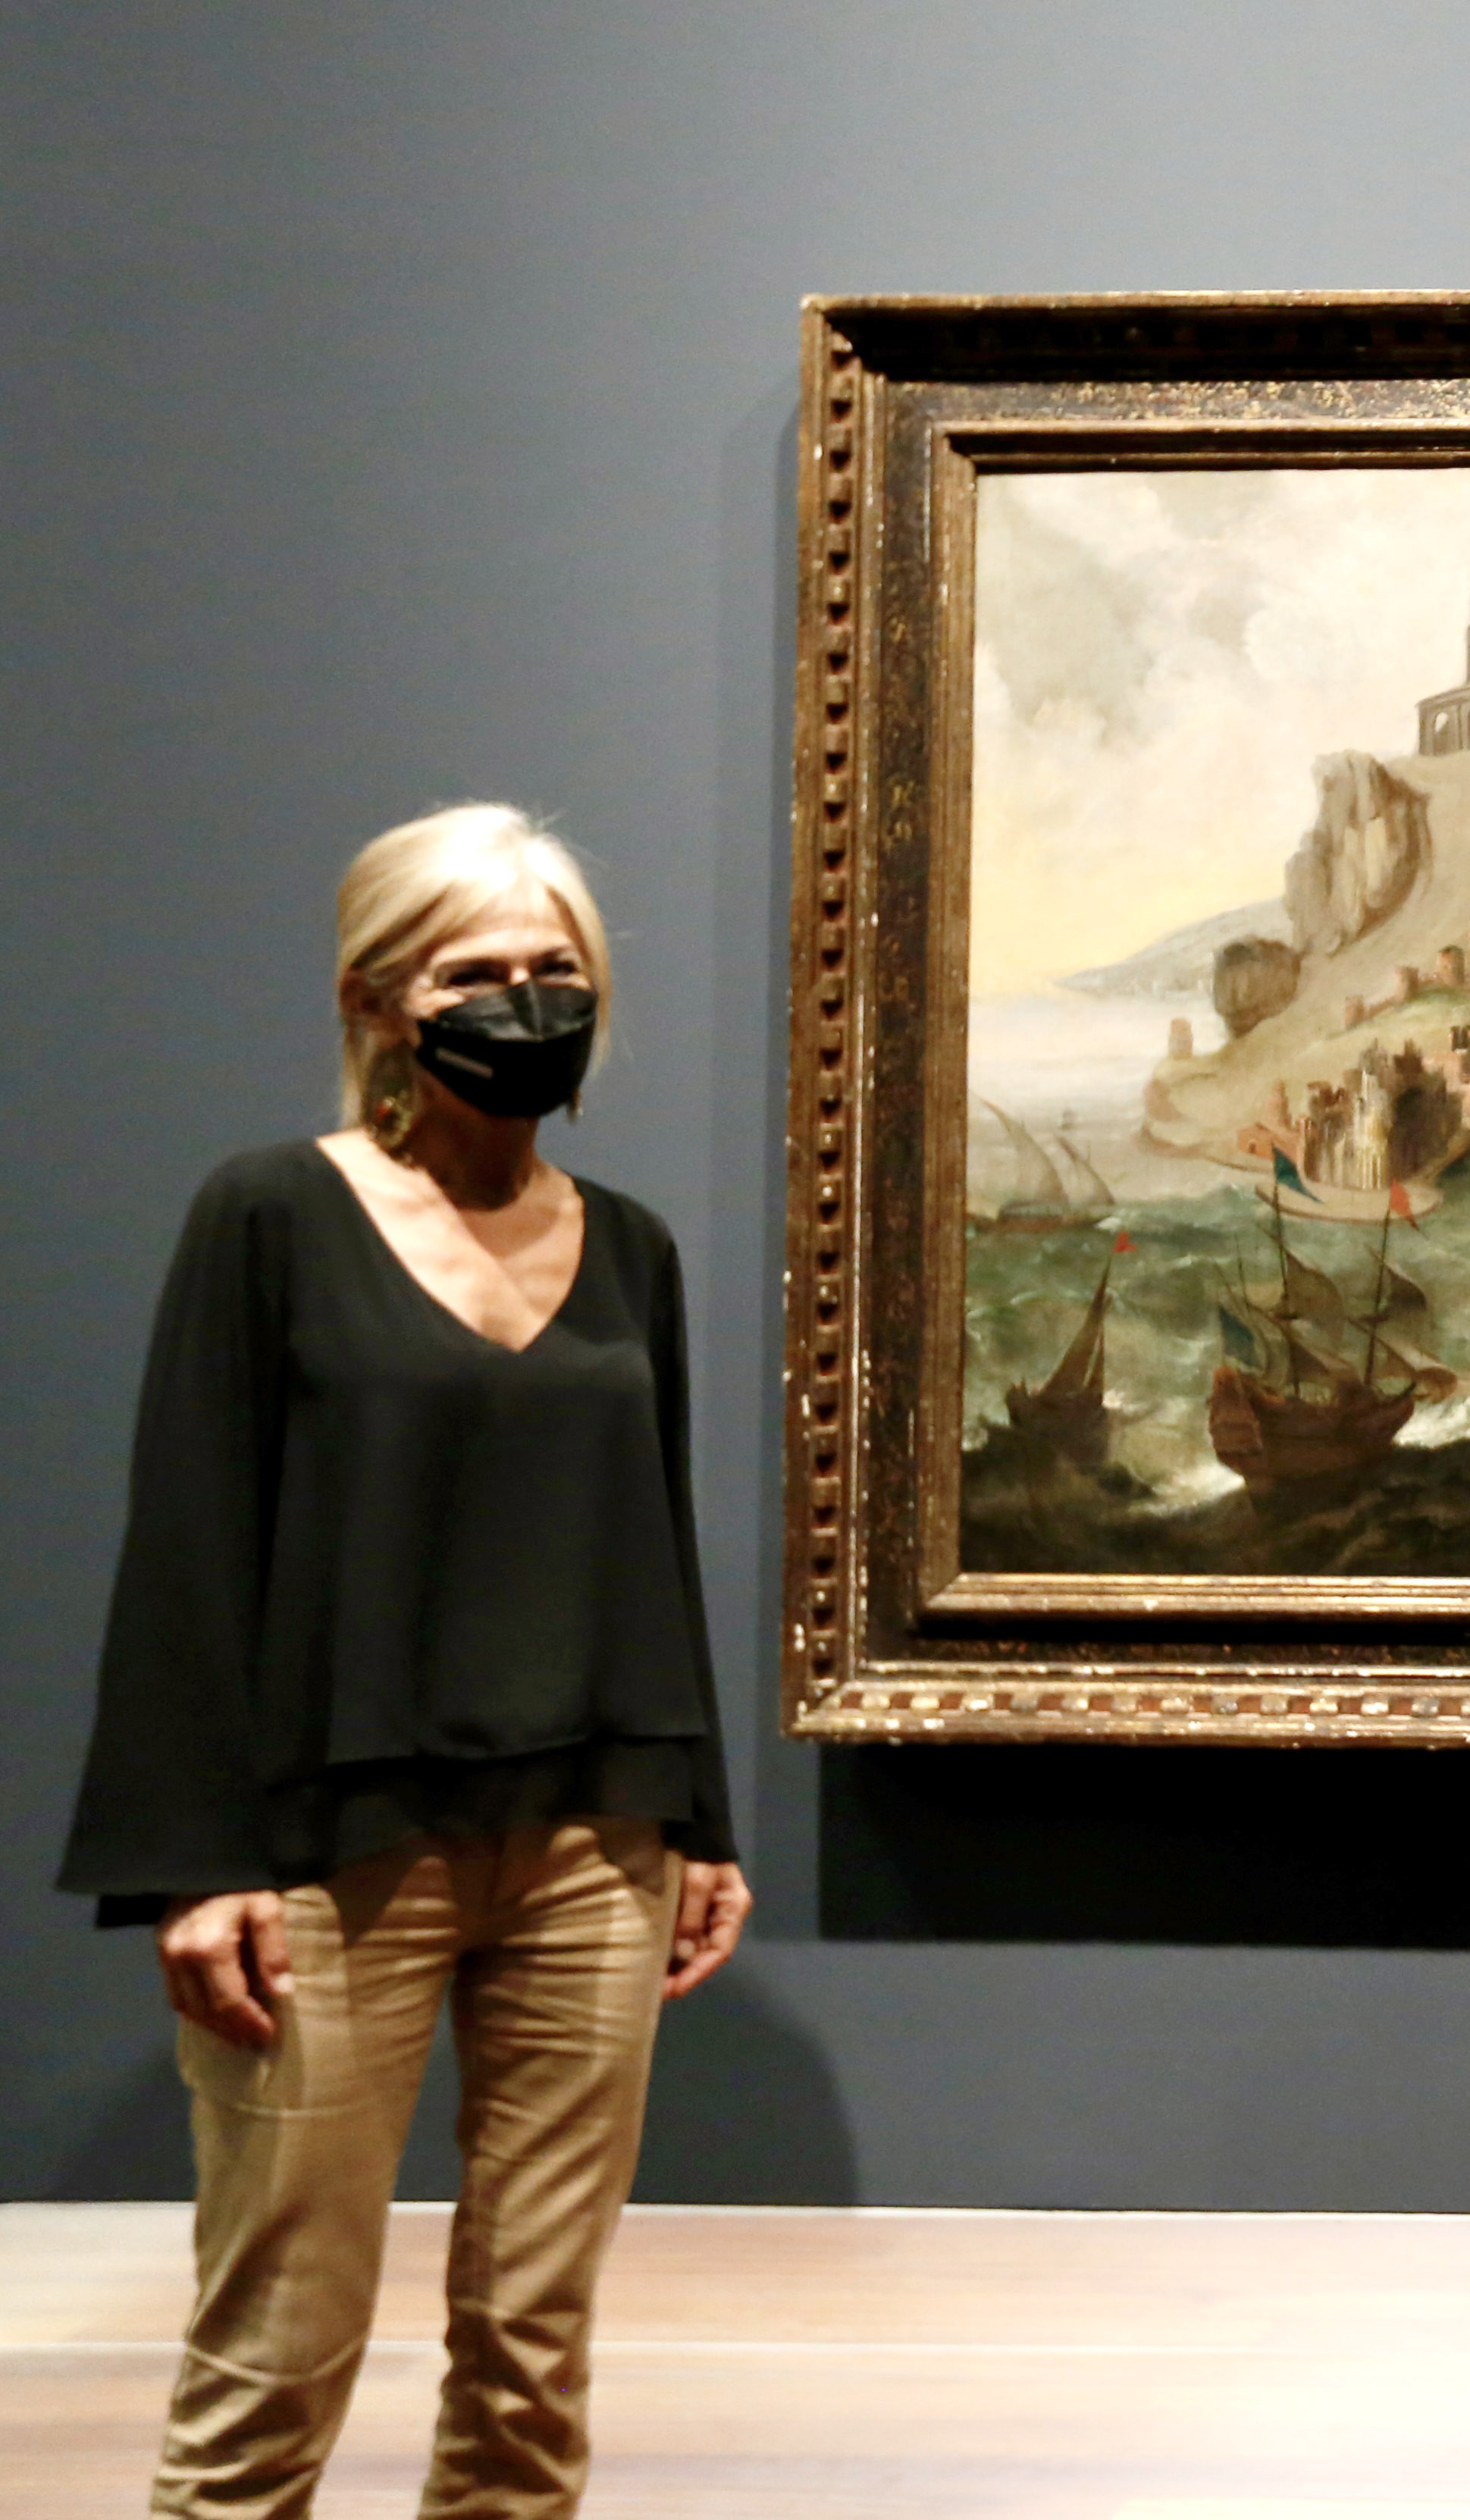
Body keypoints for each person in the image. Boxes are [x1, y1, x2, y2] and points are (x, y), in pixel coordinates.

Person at [57, 802, 752, 2520]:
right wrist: (202, 1860)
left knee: (533, 2360)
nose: (525, 1002)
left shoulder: (632, 1248)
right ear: (376, 999)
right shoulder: (272, 1213)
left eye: (555, 968)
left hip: (596, 1845)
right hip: (334, 1854)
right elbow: (191, 1538)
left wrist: (702, 1818)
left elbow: (652, 1541)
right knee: (273, 2358)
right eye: (473, 971)